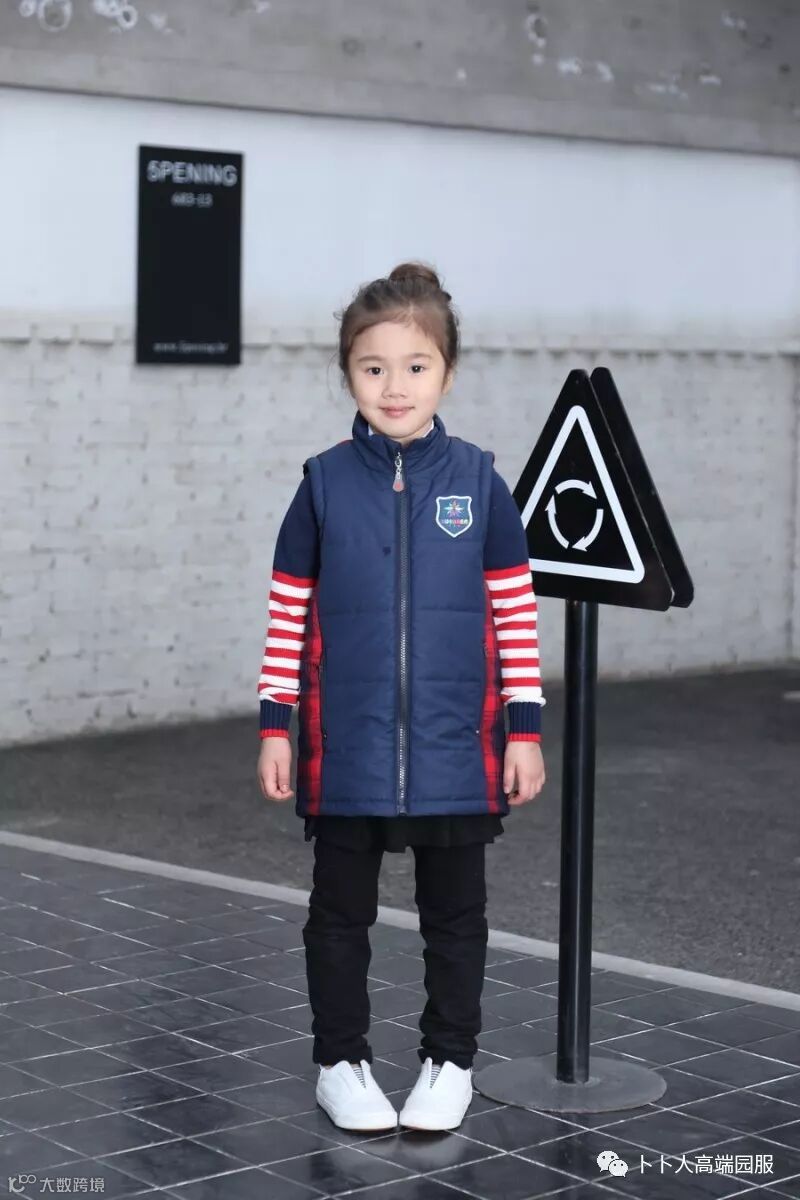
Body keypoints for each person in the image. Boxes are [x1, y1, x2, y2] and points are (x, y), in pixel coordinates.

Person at [256, 261, 546, 1134]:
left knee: (455, 918)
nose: (394, 386)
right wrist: (277, 726)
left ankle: (449, 1062)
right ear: (348, 372)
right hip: (346, 742)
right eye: (373, 367)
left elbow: (515, 615)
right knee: (337, 916)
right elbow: (286, 613)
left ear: (446, 374)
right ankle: (339, 1064)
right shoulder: (322, 484)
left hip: (458, 744)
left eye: (416, 366)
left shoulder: (480, 483)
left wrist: (524, 730)